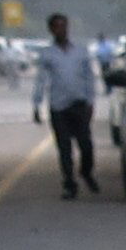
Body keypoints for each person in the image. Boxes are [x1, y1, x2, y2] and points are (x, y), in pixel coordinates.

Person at [31, 15, 98, 198]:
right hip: (59, 106)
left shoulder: (80, 52)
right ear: (52, 30)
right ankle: (69, 183)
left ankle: (86, 172)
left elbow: (89, 78)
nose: (62, 30)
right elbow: (41, 80)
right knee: (65, 148)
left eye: (64, 26)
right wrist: (36, 105)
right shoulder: (48, 54)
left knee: (86, 145)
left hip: (79, 104)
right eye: (57, 27)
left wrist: (91, 101)